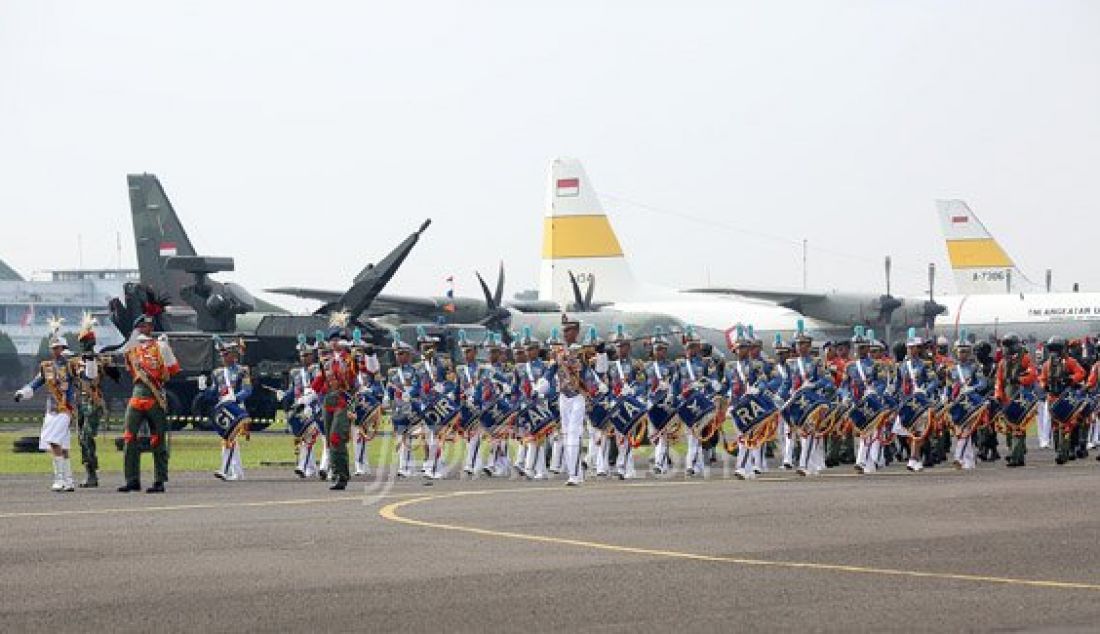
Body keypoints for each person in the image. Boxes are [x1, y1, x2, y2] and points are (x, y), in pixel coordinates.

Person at [13, 325, 83, 492]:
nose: (56, 350)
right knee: (62, 445)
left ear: (64, 348)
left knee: (54, 442)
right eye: (54, 348)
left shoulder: (72, 365)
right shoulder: (47, 367)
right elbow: (36, 383)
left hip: (65, 409)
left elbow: (86, 374)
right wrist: (22, 393)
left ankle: (59, 479)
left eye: (59, 347)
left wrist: (87, 362)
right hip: (51, 408)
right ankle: (68, 481)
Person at [118, 312, 180, 493]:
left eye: (147, 327)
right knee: (129, 438)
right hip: (137, 395)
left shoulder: (160, 346)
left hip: (154, 397)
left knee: (157, 439)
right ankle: (132, 480)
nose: (144, 329)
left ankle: (159, 480)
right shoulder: (132, 348)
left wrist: (166, 352)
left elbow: (173, 370)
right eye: (141, 327)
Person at [311, 321, 357, 490]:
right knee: (330, 440)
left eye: (338, 339)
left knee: (337, 437)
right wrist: (310, 394)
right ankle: (336, 472)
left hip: (343, 401)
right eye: (332, 340)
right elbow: (319, 382)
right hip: (328, 402)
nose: (334, 342)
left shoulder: (350, 359)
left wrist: (361, 354)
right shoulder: (326, 361)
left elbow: (352, 378)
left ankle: (342, 476)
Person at [200, 338, 253, 481]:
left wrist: (235, 398)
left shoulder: (243, 371)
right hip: (223, 407)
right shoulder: (217, 373)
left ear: (233, 355)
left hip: (236, 407)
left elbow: (248, 390)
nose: (223, 357)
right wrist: (204, 389)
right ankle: (236, 471)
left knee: (230, 437)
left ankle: (225, 469)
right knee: (228, 438)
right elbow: (213, 393)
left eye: (226, 354)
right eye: (222, 355)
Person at [993, 333, 1039, 468]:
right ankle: (1015, 451)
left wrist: (1019, 379)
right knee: (1009, 428)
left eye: (1009, 345)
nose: (1007, 348)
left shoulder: (1025, 359)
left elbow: (1032, 375)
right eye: (1005, 346)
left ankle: (1015, 455)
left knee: (1018, 428)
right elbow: (999, 382)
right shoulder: (1002, 363)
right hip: (1007, 399)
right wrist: (998, 396)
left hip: (1021, 398)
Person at [1039, 336, 1085, 465]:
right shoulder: (1047, 364)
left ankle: (1064, 452)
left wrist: (1071, 379)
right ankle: (1059, 449)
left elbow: (1081, 373)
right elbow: (1042, 378)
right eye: (1052, 349)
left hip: (1066, 397)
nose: (1054, 352)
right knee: (1055, 426)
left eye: (1056, 349)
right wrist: (1044, 385)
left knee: (1067, 424)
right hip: (1053, 397)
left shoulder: (1070, 361)